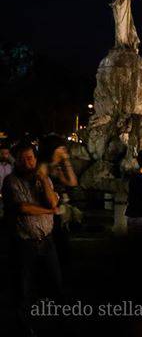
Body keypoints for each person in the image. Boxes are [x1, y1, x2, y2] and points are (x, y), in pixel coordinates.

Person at [2, 143, 62, 337]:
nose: (27, 162)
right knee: (23, 286)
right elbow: (23, 208)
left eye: (30, 158)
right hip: (24, 242)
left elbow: (53, 201)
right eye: (22, 159)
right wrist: (48, 210)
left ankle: (56, 322)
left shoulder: (43, 179)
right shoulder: (11, 181)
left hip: (47, 241)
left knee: (55, 283)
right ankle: (23, 325)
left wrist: (44, 180)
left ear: (36, 159)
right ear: (16, 160)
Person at [38, 134, 78, 268]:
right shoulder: (43, 167)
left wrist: (66, 161)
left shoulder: (57, 167)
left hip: (60, 212)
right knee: (57, 245)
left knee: (63, 246)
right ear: (53, 149)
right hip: (49, 211)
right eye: (61, 147)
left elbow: (72, 182)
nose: (65, 150)